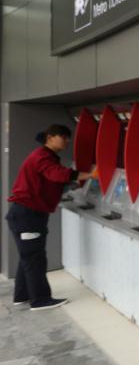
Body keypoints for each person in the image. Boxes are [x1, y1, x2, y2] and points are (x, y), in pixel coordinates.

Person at [6, 124, 94, 310]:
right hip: (28, 215)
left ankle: (21, 296)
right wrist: (91, 175)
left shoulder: (46, 157)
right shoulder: (42, 156)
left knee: (28, 256)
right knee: (35, 258)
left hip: (26, 214)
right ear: (50, 137)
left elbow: (48, 182)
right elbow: (57, 174)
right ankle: (40, 300)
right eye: (63, 136)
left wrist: (70, 186)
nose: (67, 140)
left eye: (68, 137)